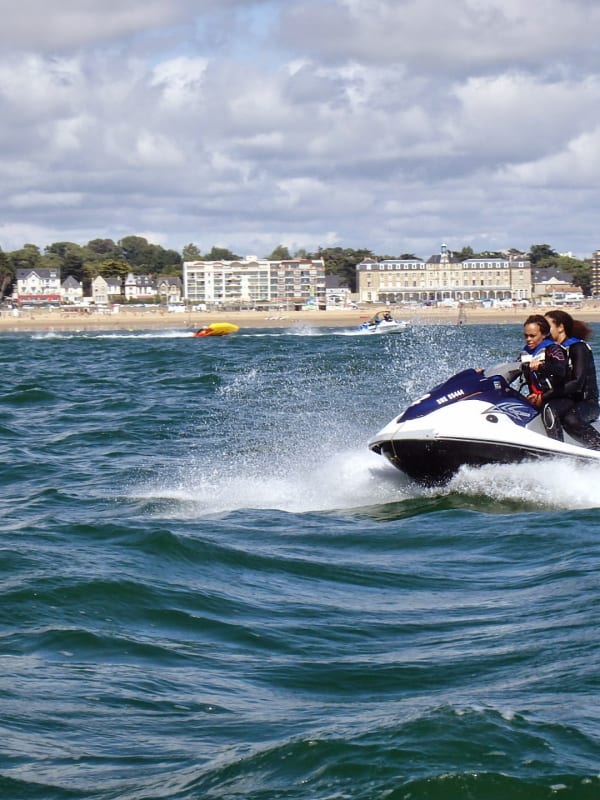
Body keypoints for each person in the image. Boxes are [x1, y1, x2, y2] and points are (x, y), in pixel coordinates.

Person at [543, 309, 600, 450]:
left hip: (588, 403)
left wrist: (546, 395)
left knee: (571, 419)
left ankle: (597, 447)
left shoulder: (578, 347)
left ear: (561, 327)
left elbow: (577, 382)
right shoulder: (553, 351)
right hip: (568, 400)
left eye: (547, 326)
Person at [519, 314, 567, 414]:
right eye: (526, 336)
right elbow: (513, 368)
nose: (528, 339)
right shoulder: (526, 352)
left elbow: (561, 370)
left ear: (544, 334)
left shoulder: (553, 349)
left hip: (557, 397)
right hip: (535, 397)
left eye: (532, 336)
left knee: (548, 411)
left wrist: (541, 366)